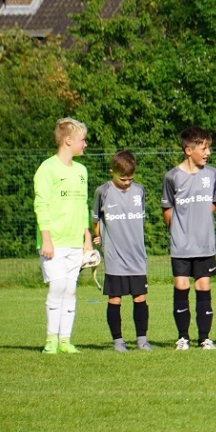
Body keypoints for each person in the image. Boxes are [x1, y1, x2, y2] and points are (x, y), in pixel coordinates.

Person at [34, 117, 93, 354]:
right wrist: (46, 239)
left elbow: (83, 206)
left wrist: (87, 239)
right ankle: (51, 339)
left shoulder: (82, 171)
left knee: (70, 290)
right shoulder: (47, 168)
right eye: (82, 140)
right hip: (54, 242)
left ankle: (65, 340)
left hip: (75, 242)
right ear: (68, 140)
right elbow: (41, 205)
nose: (85, 144)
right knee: (57, 287)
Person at [162, 126, 216, 350]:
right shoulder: (172, 176)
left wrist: (199, 223)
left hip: (204, 244)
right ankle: (183, 338)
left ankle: (204, 338)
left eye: (208, 148)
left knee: (203, 286)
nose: (208, 153)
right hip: (181, 245)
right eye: (203, 149)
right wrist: (179, 230)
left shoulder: (212, 174)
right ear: (189, 150)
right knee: (181, 285)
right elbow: (167, 209)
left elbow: (213, 204)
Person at [92, 150, 151, 352]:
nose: (127, 183)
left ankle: (142, 341)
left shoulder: (139, 191)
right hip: (114, 257)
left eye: (130, 179)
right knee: (115, 298)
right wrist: (100, 238)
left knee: (140, 297)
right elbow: (95, 220)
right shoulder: (103, 192)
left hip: (137, 257)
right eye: (122, 179)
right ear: (112, 172)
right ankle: (118, 342)